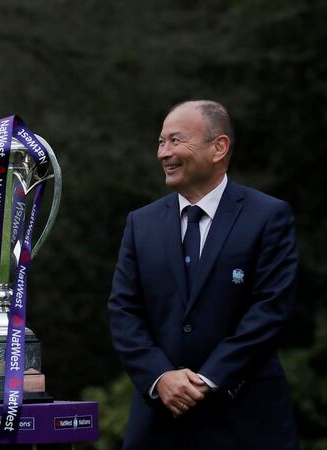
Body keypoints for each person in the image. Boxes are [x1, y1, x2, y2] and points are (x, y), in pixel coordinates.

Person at [108, 100, 299, 449]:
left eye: (176, 140)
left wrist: (209, 379)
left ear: (219, 147)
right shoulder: (141, 224)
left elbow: (271, 310)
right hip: (158, 424)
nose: (163, 153)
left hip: (246, 421)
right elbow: (124, 312)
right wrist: (161, 376)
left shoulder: (268, 216)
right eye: (161, 142)